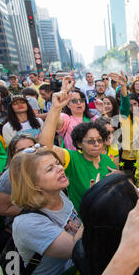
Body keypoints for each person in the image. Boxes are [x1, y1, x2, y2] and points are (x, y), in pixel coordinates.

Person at [9, 148, 83, 275]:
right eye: (50, 169)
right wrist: (92, 204)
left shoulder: (59, 193)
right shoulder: (28, 223)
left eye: (57, 163)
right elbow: (75, 248)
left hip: (75, 274)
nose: (60, 168)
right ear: (33, 183)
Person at [39, 83, 117, 211]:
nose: (97, 144)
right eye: (91, 141)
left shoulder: (107, 159)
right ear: (79, 143)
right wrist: (55, 108)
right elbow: (45, 147)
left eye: (99, 140)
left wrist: (119, 176)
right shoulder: (72, 159)